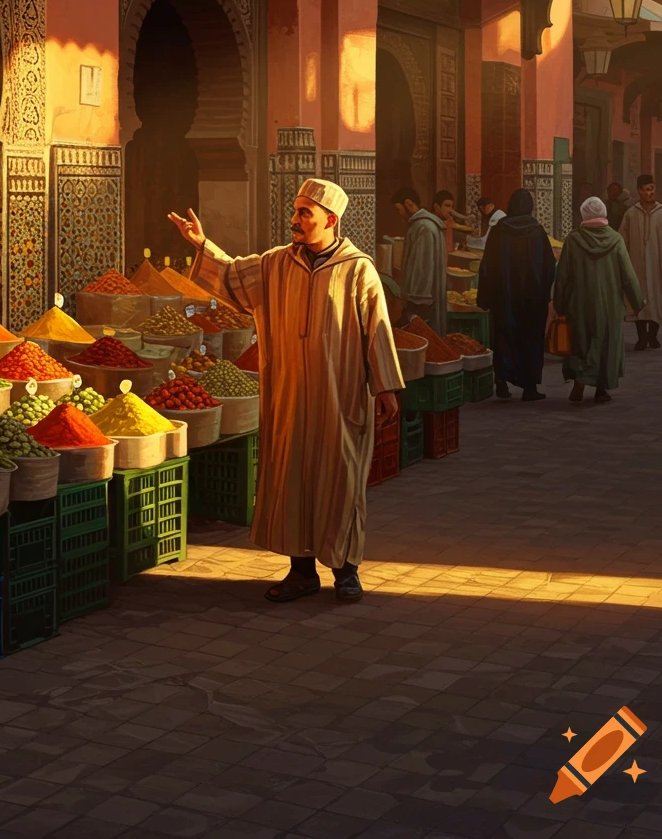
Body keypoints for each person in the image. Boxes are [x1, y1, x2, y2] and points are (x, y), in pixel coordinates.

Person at [168, 179, 403, 605]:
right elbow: (230, 274)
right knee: (292, 477)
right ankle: (301, 572)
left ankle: (346, 571)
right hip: (290, 395)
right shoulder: (275, 264)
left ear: (330, 220)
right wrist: (202, 244)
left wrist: (385, 385)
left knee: (341, 479)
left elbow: (378, 330)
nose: (294, 221)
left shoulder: (357, 269)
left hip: (341, 395)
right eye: (295, 212)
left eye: (304, 214)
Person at [554, 197, 643, 404]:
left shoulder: (573, 240)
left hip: (579, 304)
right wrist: (638, 302)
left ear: (584, 215)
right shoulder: (616, 239)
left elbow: (563, 276)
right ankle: (601, 390)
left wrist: (559, 303)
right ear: (604, 214)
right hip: (610, 305)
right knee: (606, 345)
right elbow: (628, 275)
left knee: (580, 341)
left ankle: (579, 383)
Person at [477, 188, 556, 402]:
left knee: (503, 337)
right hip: (532, 300)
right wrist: (545, 293)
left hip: (504, 298)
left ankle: (501, 383)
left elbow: (488, 265)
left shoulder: (500, 230)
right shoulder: (537, 231)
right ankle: (529, 388)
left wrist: (484, 295)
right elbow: (549, 266)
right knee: (530, 340)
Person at [619, 174, 662, 350]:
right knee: (639, 300)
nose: (649, 193)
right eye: (646, 189)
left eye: (651, 189)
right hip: (635, 265)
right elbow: (622, 238)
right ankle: (641, 338)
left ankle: (653, 336)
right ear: (639, 191)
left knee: (656, 299)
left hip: (657, 264)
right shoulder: (631, 213)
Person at [392, 187, 448, 335]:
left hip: (422, 302)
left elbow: (423, 268)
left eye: (399, 209)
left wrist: (415, 301)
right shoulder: (421, 225)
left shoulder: (424, 227)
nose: (400, 214)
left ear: (409, 204)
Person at [432, 189, 469, 256]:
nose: (450, 210)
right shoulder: (431, 223)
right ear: (436, 207)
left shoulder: (448, 221)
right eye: (447, 206)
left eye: (452, 207)